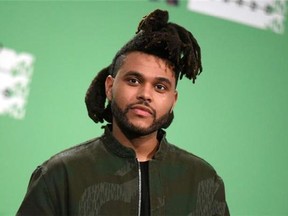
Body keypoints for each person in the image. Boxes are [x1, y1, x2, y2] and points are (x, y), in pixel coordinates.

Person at [17, 9, 229, 216]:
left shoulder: (204, 181)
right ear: (109, 87)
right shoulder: (60, 174)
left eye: (160, 87)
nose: (145, 94)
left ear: (173, 100)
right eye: (133, 80)